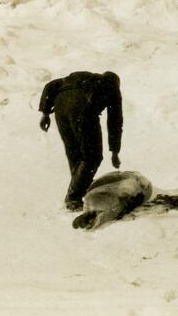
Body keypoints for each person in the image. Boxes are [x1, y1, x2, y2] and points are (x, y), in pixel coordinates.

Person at [38, 70, 123, 211]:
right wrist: (114, 151)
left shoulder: (84, 77)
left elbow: (50, 85)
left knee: (74, 153)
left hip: (60, 106)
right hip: (83, 105)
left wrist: (45, 113)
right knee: (92, 156)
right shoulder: (111, 86)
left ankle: (80, 188)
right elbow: (114, 121)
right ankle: (74, 197)